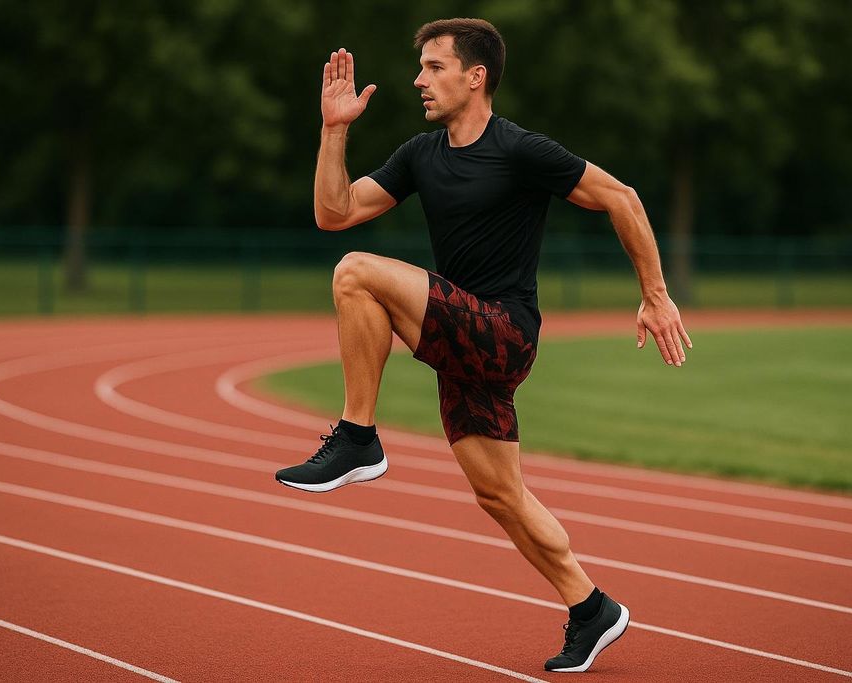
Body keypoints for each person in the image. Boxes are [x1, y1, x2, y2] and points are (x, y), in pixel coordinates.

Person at [275, 18, 692, 673]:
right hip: (461, 338)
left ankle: (358, 436)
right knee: (501, 496)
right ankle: (592, 608)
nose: (419, 79)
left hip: (502, 331)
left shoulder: (520, 150)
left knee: (356, 273)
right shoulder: (420, 154)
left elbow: (622, 197)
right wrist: (334, 131)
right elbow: (334, 212)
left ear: (477, 77)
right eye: (421, 68)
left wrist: (656, 293)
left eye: (435, 67)